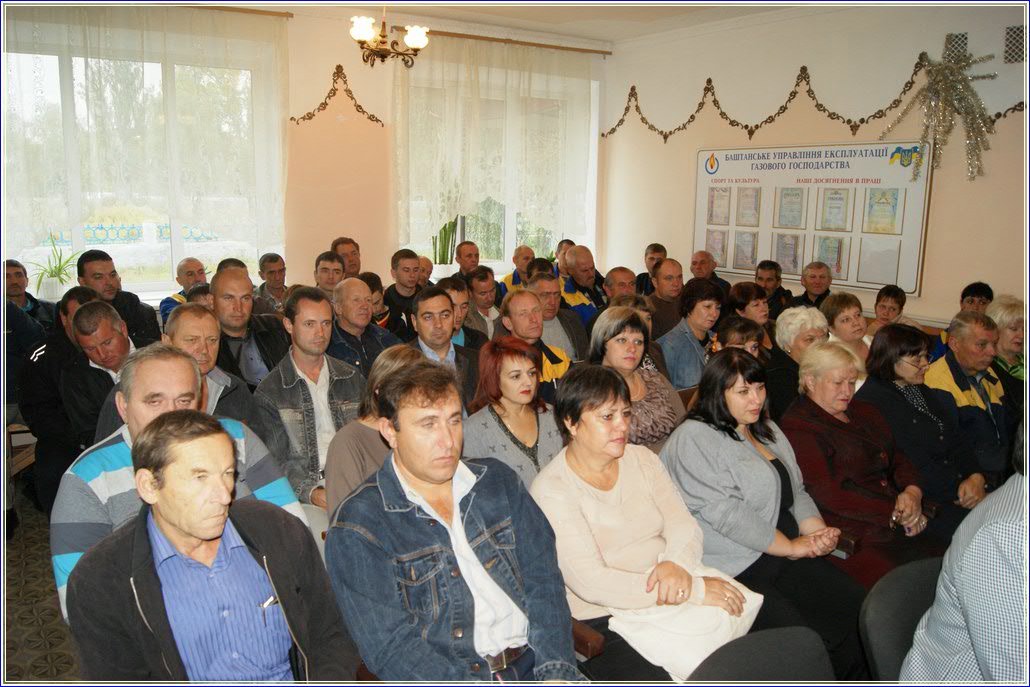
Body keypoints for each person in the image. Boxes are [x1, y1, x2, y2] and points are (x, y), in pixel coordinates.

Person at [326, 361, 585, 682]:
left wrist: (556, 672)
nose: (447, 441)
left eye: (453, 421)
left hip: (536, 663)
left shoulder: (498, 482)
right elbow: (390, 647)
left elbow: (543, 581)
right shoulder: (359, 525)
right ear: (390, 431)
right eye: (428, 424)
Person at [66, 410, 350, 681]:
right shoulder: (101, 580)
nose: (225, 496)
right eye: (200, 477)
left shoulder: (279, 531)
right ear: (149, 486)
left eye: (228, 474)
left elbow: (329, 633)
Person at [531, 365, 761, 681]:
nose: (622, 425)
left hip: (672, 580)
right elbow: (592, 582)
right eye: (607, 417)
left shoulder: (641, 459)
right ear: (571, 422)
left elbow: (683, 525)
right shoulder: (552, 490)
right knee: (704, 670)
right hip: (605, 614)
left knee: (752, 648)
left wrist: (676, 565)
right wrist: (692, 590)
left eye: (625, 414)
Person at [660, 348, 868, 680]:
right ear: (717, 393)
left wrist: (816, 532)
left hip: (782, 550)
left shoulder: (765, 427)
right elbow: (729, 515)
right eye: (743, 391)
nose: (756, 399)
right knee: (803, 640)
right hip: (737, 563)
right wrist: (791, 546)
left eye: (759, 388)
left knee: (856, 608)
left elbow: (796, 490)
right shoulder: (694, 438)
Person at [50, 343, 303, 617]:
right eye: (154, 401)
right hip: (160, 631)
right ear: (123, 406)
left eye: (184, 401)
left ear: (201, 401)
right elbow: (82, 606)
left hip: (264, 606)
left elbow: (293, 531)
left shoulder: (237, 440)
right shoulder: (87, 481)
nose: (171, 417)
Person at [779, 341, 947, 588]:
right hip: (852, 530)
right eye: (838, 383)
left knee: (951, 560)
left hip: (896, 514)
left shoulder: (864, 410)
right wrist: (894, 512)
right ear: (811, 381)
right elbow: (829, 494)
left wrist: (912, 491)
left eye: (851, 382)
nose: (847, 391)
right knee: (910, 585)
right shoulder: (798, 426)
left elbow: (897, 456)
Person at [900, 426, 1026, 682]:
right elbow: (1012, 674)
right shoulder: (1006, 536)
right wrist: (912, 492)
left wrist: (976, 475)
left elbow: (957, 443)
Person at [854, 324, 980, 539]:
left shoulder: (919, 389)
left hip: (959, 488)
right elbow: (900, 465)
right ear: (890, 359)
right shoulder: (871, 403)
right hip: (928, 501)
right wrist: (958, 488)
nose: (925, 365)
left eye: (925, 356)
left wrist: (975, 476)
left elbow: (956, 438)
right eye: (917, 359)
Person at [93, 303, 267, 444]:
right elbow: (105, 459)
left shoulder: (235, 388)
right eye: (192, 340)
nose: (204, 350)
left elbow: (258, 450)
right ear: (167, 342)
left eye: (212, 340)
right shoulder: (131, 391)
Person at [254, 287, 364, 509]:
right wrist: (313, 493)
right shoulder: (270, 392)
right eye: (309, 324)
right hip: (308, 493)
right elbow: (276, 463)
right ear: (288, 325)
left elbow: (370, 440)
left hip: (358, 481)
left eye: (326, 323)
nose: (320, 333)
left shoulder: (352, 377)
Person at [19, 286, 97, 514]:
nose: (86, 325)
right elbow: (39, 416)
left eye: (92, 316)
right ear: (64, 318)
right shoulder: (41, 356)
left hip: (103, 434)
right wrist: (83, 439)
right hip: (64, 441)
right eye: (78, 317)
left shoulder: (110, 349)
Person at [324, 345, 423, 516]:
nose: (419, 398)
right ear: (379, 389)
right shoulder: (348, 441)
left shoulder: (424, 433)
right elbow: (347, 519)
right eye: (407, 389)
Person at [924, 311, 1014, 487]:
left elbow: (1009, 425)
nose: (992, 352)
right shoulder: (937, 384)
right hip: (971, 479)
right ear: (954, 344)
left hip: (1001, 470)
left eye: (994, 344)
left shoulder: (988, 372)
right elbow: (945, 450)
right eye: (982, 345)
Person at [463, 337, 563, 488]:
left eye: (532, 373)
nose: (528, 382)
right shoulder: (473, 430)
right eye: (516, 376)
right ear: (494, 379)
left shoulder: (551, 415)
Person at [590, 307, 685, 452]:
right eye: (622, 340)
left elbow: (683, 427)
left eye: (638, 342)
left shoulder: (656, 379)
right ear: (602, 342)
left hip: (673, 459)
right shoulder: (590, 390)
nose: (632, 348)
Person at [61, 301, 135, 448]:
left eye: (107, 342)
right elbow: (88, 433)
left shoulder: (156, 355)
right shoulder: (75, 375)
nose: (102, 354)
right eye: (90, 349)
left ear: (123, 329)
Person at [211, 267, 290, 390]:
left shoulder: (276, 327)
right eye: (229, 298)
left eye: (245, 298)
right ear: (211, 301)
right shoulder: (205, 344)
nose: (238, 307)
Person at [407, 285, 479, 407]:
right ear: (414, 322)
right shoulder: (400, 364)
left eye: (445, 315)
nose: (438, 324)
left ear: (454, 317)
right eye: (428, 317)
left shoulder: (476, 360)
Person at [495, 272, 589, 361]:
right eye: (545, 295)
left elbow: (585, 358)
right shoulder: (508, 324)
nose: (553, 302)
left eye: (557, 295)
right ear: (531, 295)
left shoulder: (572, 318)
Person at [499, 290, 571, 405]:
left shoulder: (560, 357)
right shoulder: (499, 362)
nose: (533, 319)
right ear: (508, 323)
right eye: (523, 314)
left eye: (536, 310)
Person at [76, 249, 160, 345]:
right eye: (99, 277)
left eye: (112, 275)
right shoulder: (72, 310)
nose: (109, 282)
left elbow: (155, 349)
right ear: (82, 282)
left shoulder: (132, 306)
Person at [327, 277, 402, 374]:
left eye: (368, 300)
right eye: (356, 300)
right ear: (338, 307)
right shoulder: (326, 344)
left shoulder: (385, 338)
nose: (365, 306)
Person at [766, 306, 829, 421]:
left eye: (823, 338)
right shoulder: (778, 377)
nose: (819, 345)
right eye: (810, 340)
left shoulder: (824, 366)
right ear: (787, 344)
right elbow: (796, 420)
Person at [657, 278, 722, 389]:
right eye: (707, 306)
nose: (714, 314)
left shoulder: (718, 339)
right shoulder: (669, 345)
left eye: (718, 308)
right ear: (689, 306)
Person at [607, 294, 671, 379]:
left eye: (648, 318)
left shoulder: (655, 348)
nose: (646, 325)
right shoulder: (616, 355)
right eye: (638, 319)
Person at [928, 281, 995, 362]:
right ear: (961, 304)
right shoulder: (946, 335)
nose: (975, 307)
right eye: (970, 302)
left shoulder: (994, 337)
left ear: (991, 306)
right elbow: (933, 364)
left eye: (982, 303)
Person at [986, 295, 1024, 420]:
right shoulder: (986, 367)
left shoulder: (1024, 362)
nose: (1021, 335)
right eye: (1014, 329)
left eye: (1025, 329)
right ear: (996, 330)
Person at [5, 258, 57, 332]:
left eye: (19, 275)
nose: (14, 281)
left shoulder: (51, 309)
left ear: (27, 281)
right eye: (6, 277)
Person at [437, 276, 488, 351]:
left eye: (464, 307)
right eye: (453, 307)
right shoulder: (426, 343)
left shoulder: (480, 341)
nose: (459, 314)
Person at [822, 292, 873, 363]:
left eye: (858, 315)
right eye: (846, 320)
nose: (856, 323)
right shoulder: (827, 357)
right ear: (831, 329)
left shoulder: (874, 343)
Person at [562, 245, 606, 326]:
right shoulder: (564, 298)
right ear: (570, 271)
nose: (591, 274)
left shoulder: (606, 284)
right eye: (584, 270)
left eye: (592, 268)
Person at [384, 248, 422, 341]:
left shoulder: (427, 299)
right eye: (406, 270)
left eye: (415, 270)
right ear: (393, 273)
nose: (412, 275)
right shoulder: (384, 300)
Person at [726, 281, 773, 350]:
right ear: (741, 312)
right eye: (756, 305)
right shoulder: (737, 339)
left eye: (765, 302)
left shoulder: (774, 326)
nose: (764, 308)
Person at [158, 257, 207, 324]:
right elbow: (180, 322)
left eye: (201, 273)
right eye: (190, 274)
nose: (198, 279)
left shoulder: (215, 296)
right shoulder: (170, 302)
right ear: (179, 281)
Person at [647, 257, 684, 340]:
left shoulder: (686, 302)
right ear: (655, 282)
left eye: (679, 277)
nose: (676, 283)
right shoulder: (646, 309)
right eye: (669, 278)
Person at [465, 265, 501, 337]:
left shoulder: (501, 315)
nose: (490, 298)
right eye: (483, 294)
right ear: (470, 293)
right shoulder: (465, 318)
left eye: (492, 290)